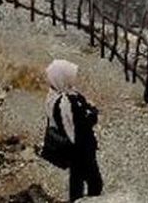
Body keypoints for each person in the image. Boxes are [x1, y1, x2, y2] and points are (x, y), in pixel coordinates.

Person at [45, 59, 103, 201]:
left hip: (72, 149)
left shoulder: (54, 95)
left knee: (76, 181)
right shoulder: (66, 102)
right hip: (80, 148)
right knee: (95, 183)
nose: (74, 78)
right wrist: (92, 114)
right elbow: (81, 124)